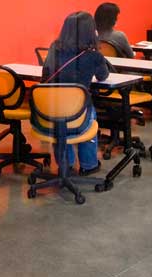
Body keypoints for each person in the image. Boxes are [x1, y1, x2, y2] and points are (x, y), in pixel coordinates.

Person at [41, 11, 106, 175]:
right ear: (91, 31)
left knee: (61, 126)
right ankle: (89, 164)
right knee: (89, 119)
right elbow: (103, 76)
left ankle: (66, 165)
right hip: (79, 112)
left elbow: (45, 74)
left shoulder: (54, 48)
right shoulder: (93, 55)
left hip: (51, 109)